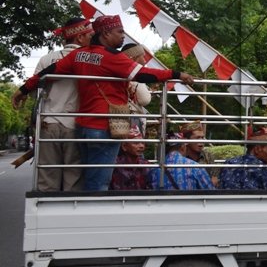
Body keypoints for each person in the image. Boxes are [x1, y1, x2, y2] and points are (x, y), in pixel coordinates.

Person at [12, 15, 194, 191]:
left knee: (82, 178)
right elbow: (144, 74)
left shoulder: (78, 55)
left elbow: (48, 71)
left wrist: (23, 90)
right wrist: (177, 75)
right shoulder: (112, 57)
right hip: (105, 126)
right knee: (97, 183)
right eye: (119, 31)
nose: (123, 35)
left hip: (83, 127)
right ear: (106, 34)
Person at [30, 17, 94, 191]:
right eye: (90, 34)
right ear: (79, 38)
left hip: (48, 122)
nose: (93, 37)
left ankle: (46, 213)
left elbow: (37, 89)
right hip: (74, 124)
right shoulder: (90, 60)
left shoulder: (46, 59)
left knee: (47, 176)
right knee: (74, 178)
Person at [150, 132, 215, 190]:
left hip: (162, 203)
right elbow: (210, 192)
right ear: (183, 147)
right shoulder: (195, 167)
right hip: (190, 203)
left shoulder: (155, 169)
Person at [120, 42, 153, 134]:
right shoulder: (134, 74)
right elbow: (145, 99)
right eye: (142, 57)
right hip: (131, 119)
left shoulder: (119, 71)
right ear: (135, 58)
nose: (145, 61)